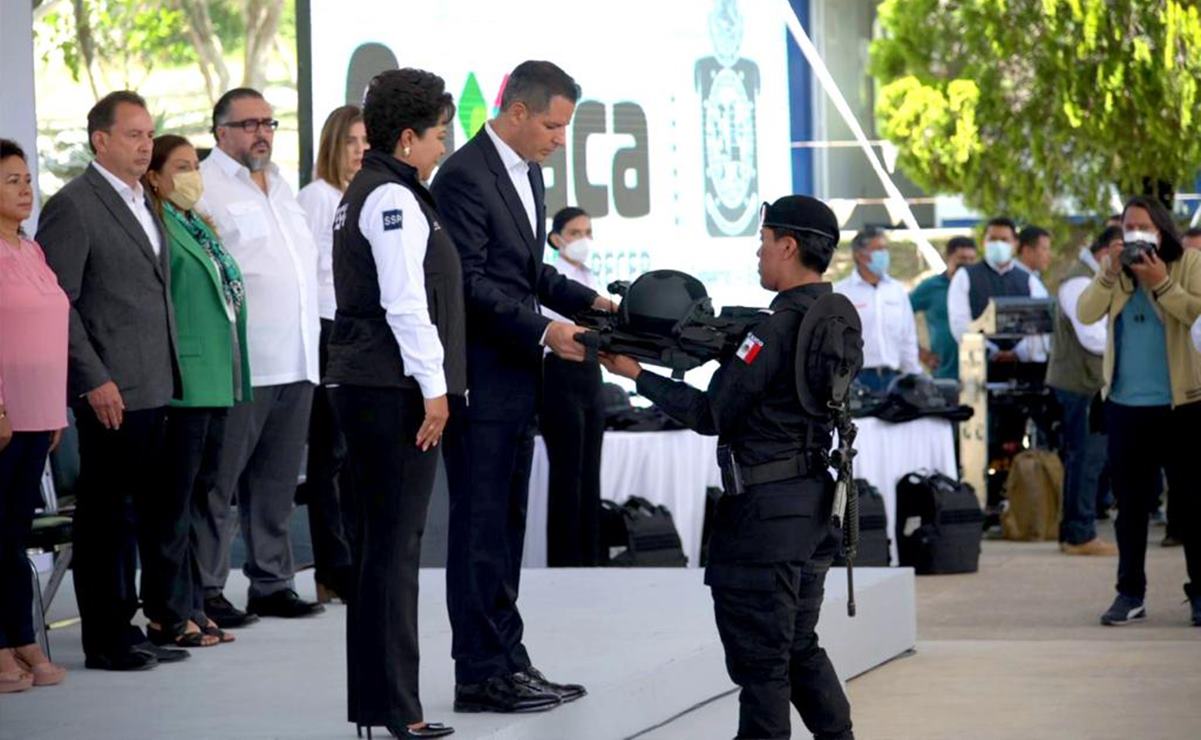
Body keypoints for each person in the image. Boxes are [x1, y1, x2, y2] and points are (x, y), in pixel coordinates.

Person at [600, 195, 855, 740]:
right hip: (812, 509)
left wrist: (636, 374)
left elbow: (711, 413)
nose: (758, 254)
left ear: (788, 246)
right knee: (798, 648)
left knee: (762, 666)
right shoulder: (830, 316)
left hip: (764, 524)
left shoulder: (772, 329)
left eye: (763, 242)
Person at [431, 60, 609, 713]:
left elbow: (528, 272)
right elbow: (470, 282)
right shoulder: (463, 176)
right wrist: (545, 331)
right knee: (479, 528)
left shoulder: (528, 173)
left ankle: (509, 660)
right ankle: (478, 674)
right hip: (480, 379)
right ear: (516, 111)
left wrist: (593, 303)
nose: (561, 139)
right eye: (553, 126)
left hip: (518, 381)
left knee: (506, 527)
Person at [326, 68, 460, 740]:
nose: (443, 147)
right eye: (438, 135)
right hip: (391, 386)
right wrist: (434, 386)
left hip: (369, 381)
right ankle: (398, 709)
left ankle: (382, 705)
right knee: (393, 548)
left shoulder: (368, 189)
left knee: (381, 546)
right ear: (407, 137)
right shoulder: (392, 199)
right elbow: (405, 301)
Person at [37, 91, 187, 671]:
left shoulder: (144, 197)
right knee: (107, 517)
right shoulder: (75, 205)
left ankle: (134, 626)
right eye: (133, 135)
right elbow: (60, 302)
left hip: (154, 382)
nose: (146, 145)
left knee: (142, 512)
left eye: (149, 134)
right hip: (111, 389)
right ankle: (105, 637)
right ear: (100, 141)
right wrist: (93, 378)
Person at [195, 87, 323, 624]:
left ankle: (272, 582)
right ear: (220, 131)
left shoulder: (282, 185)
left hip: (297, 357)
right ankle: (206, 589)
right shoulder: (204, 185)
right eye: (249, 124)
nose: (262, 133)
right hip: (242, 363)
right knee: (219, 483)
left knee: (276, 484)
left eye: (268, 123)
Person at [140, 134, 252, 648]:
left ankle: (193, 603)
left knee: (200, 498)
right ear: (155, 177)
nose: (193, 176)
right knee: (174, 503)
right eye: (181, 167)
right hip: (185, 379)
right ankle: (168, 611)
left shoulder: (197, 224)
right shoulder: (158, 224)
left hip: (218, 377)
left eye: (195, 166)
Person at [1078, 196, 1201, 627]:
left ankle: (1199, 592)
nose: (1134, 233)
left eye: (1143, 226)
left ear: (1161, 230)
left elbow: (1197, 314)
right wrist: (1110, 273)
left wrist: (1161, 282)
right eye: (1128, 226)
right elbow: (1085, 312)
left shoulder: (1189, 263)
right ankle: (1130, 593)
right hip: (1125, 406)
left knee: (1191, 504)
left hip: (1182, 404)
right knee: (1129, 508)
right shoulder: (1115, 269)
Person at [0, 138, 68, 691]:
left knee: (14, 533)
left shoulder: (31, 250)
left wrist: (55, 410)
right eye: (11, 181)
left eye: (27, 179)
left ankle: (21, 635)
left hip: (38, 413)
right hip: (4, 415)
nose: (25, 190)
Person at [297, 104, 368, 603]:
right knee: (329, 453)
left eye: (367, 141)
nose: (360, 150)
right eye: (351, 141)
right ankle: (332, 565)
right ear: (332, 145)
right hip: (326, 328)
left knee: (349, 453)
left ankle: (348, 558)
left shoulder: (360, 195)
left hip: (354, 330)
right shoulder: (317, 198)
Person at [1046, 226, 1117, 557]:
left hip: (1088, 383)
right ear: (1105, 252)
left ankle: (1076, 531)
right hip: (1081, 384)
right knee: (1085, 459)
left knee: (1087, 459)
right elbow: (1091, 336)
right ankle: (1079, 534)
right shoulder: (1079, 283)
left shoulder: (1091, 278)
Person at [540, 206, 604, 567]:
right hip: (560, 372)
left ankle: (590, 558)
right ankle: (565, 561)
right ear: (556, 239)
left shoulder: (590, 275)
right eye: (575, 233)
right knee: (567, 473)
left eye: (588, 232)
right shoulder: (552, 280)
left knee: (590, 470)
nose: (584, 240)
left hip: (591, 372)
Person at [947, 216, 1048, 361]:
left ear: (1015, 244)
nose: (998, 244)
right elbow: (960, 324)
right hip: (978, 363)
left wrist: (1018, 353)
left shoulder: (1030, 281)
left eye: (1004, 240)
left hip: (1023, 364)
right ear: (984, 242)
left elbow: (1041, 324)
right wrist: (990, 351)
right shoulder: (964, 277)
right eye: (993, 239)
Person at [834, 226, 921, 392]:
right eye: (879, 249)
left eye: (885, 249)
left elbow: (907, 336)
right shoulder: (842, 293)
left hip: (893, 378)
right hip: (856, 380)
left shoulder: (896, 290)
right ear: (860, 255)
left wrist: (913, 374)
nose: (884, 254)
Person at [909, 236, 977, 379]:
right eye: (962, 259)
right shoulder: (931, 287)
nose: (967, 264)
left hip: (978, 370)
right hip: (945, 372)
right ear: (948, 258)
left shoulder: (980, 286)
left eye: (972, 259)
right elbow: (898, 315)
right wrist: (920, 353)